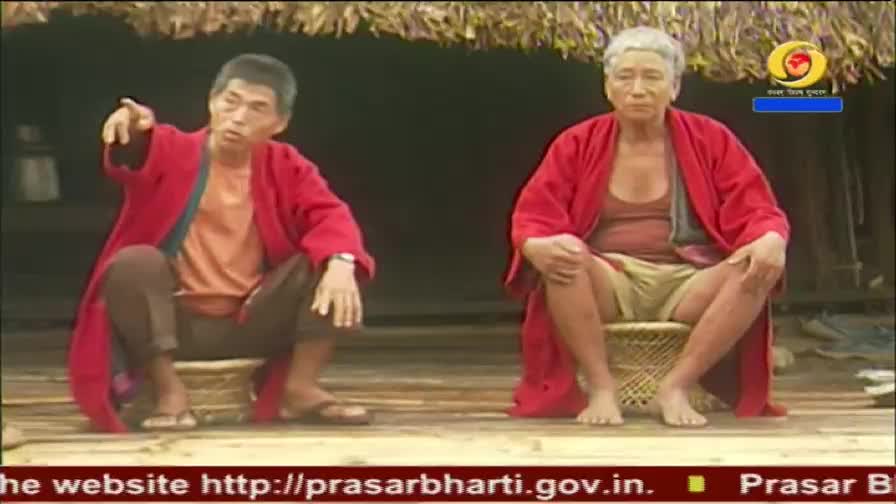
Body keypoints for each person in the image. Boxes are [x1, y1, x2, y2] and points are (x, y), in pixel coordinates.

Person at [69, 54, 376, 433]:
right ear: (211, 102)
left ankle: (299, 388)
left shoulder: (287, 165)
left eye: (257, 109)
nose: (238, 117)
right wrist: (132, 130)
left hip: (252, 320)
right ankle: (169, 391)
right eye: (231, 102)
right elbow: (136, 152)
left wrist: (341, 261)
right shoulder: (173, 149)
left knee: (333, 260)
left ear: (280, 123)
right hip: (171, 322)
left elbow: (329, 214)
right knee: (133, 264)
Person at [504, 27, 790, 428]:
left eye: (652, 77)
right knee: (565, 255)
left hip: (689, 279)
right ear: (608, 87)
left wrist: (771, 237)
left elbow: (756, 206)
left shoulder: (710, 138)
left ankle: (676, 385)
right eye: (625, 77)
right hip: (610, 278)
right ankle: (601, 387)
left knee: (756, 265)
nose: (638, 89)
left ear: (674, 87)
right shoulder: (577, 142)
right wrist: (536, 244)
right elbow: (535, 214)